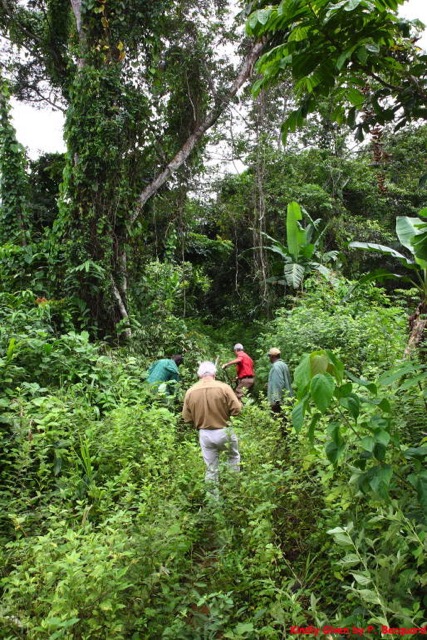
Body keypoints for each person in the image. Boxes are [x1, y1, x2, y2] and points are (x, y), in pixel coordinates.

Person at [182, 361, 242, 483]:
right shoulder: (224, 387)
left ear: (199, 375)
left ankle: (213, 499)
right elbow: (237, 409)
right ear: (214, 373)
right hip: (225, 430)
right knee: (233, 457)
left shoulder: (190, 391)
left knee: (211, 469)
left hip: (205, 433)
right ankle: (233, 490)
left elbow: (186, 418)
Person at [267, 347, 293, 412]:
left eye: (269, 356)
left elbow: (278, 383)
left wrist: (276, 400)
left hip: (279, 403)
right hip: (287, 399)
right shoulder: (284, 365)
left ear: (272, 356)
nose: (269, 358)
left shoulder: (276, 367)